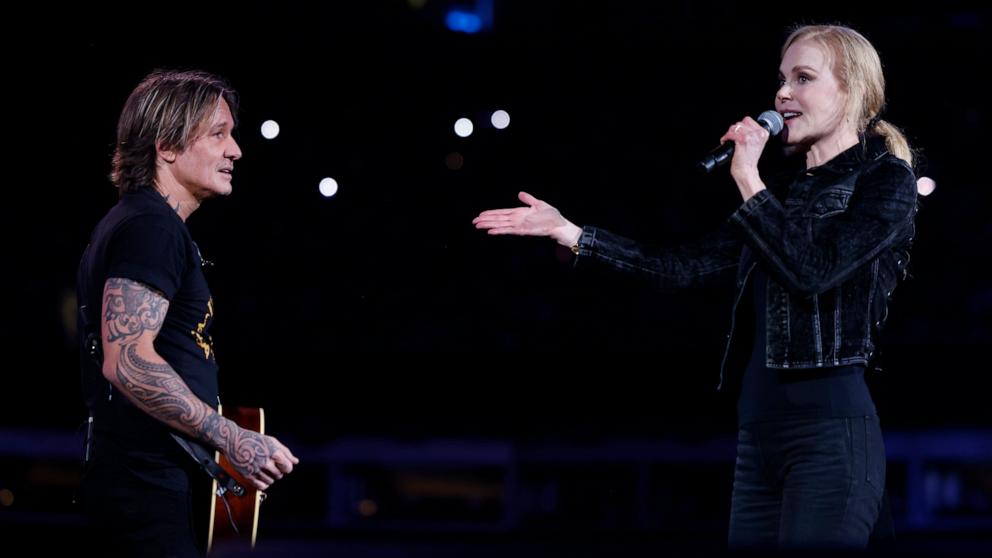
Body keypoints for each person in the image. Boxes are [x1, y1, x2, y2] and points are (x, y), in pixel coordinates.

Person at [473, 24, 920, 549]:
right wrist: (571, 233)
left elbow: (815, 271)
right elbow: (681, 268)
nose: (782, 93)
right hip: (759, 438)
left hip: (829, 437)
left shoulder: (884, 181)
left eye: (803, 78)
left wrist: (749, 180)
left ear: (852, 92)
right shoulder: (779, 197)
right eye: (781, 79)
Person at [76, 69, 299, 557]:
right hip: (145, 489)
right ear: (167, 147)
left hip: (147, 482)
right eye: (219, 134)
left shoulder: (145, 224)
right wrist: (230, 438)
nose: (235, 150)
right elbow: (126, 360)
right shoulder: (151, 228)